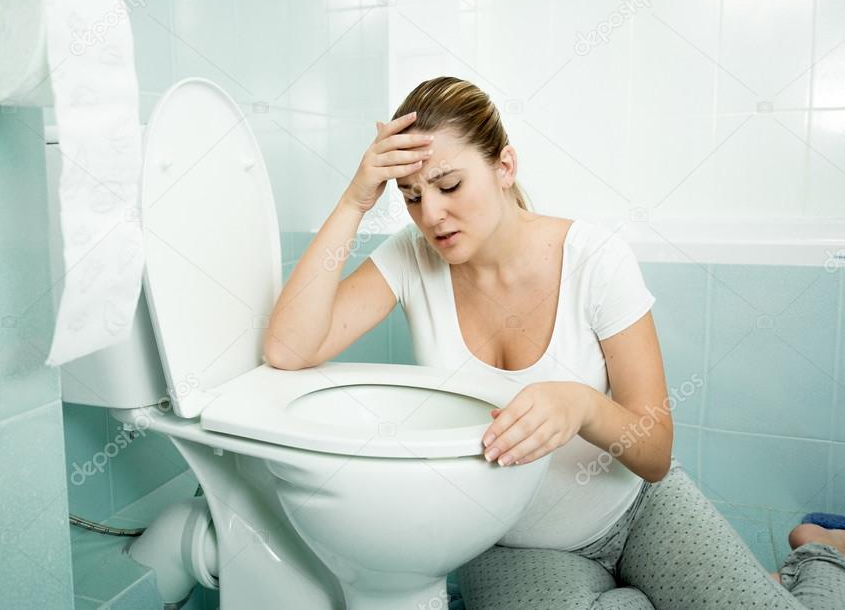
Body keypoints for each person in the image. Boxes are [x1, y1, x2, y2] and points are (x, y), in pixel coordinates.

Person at [262, 76, 845, 608]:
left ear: (504, 166)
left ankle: (819, 551)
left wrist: (581, 404)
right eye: (411, 196)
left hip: (637, 509)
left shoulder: (595, 259)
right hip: (511, 545)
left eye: (448, 184)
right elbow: (289, 349)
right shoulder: (410, 260)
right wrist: (355, 200)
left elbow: (656, 452)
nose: (431, 215)